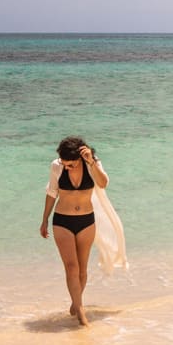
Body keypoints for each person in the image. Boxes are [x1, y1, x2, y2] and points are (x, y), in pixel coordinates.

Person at [40, 136, 110, 327]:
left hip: (86, 221)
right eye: (65, 164)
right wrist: (45, 219)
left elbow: (103, 183)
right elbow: (52, 192)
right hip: (62, 221)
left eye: (70, 165)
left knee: (82, 269)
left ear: (79, 158)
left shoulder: (91, 165)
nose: (67, 167)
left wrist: (92, 162)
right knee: (71, 267)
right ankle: (80, 312)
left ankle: (75, 302)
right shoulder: (57, 166)